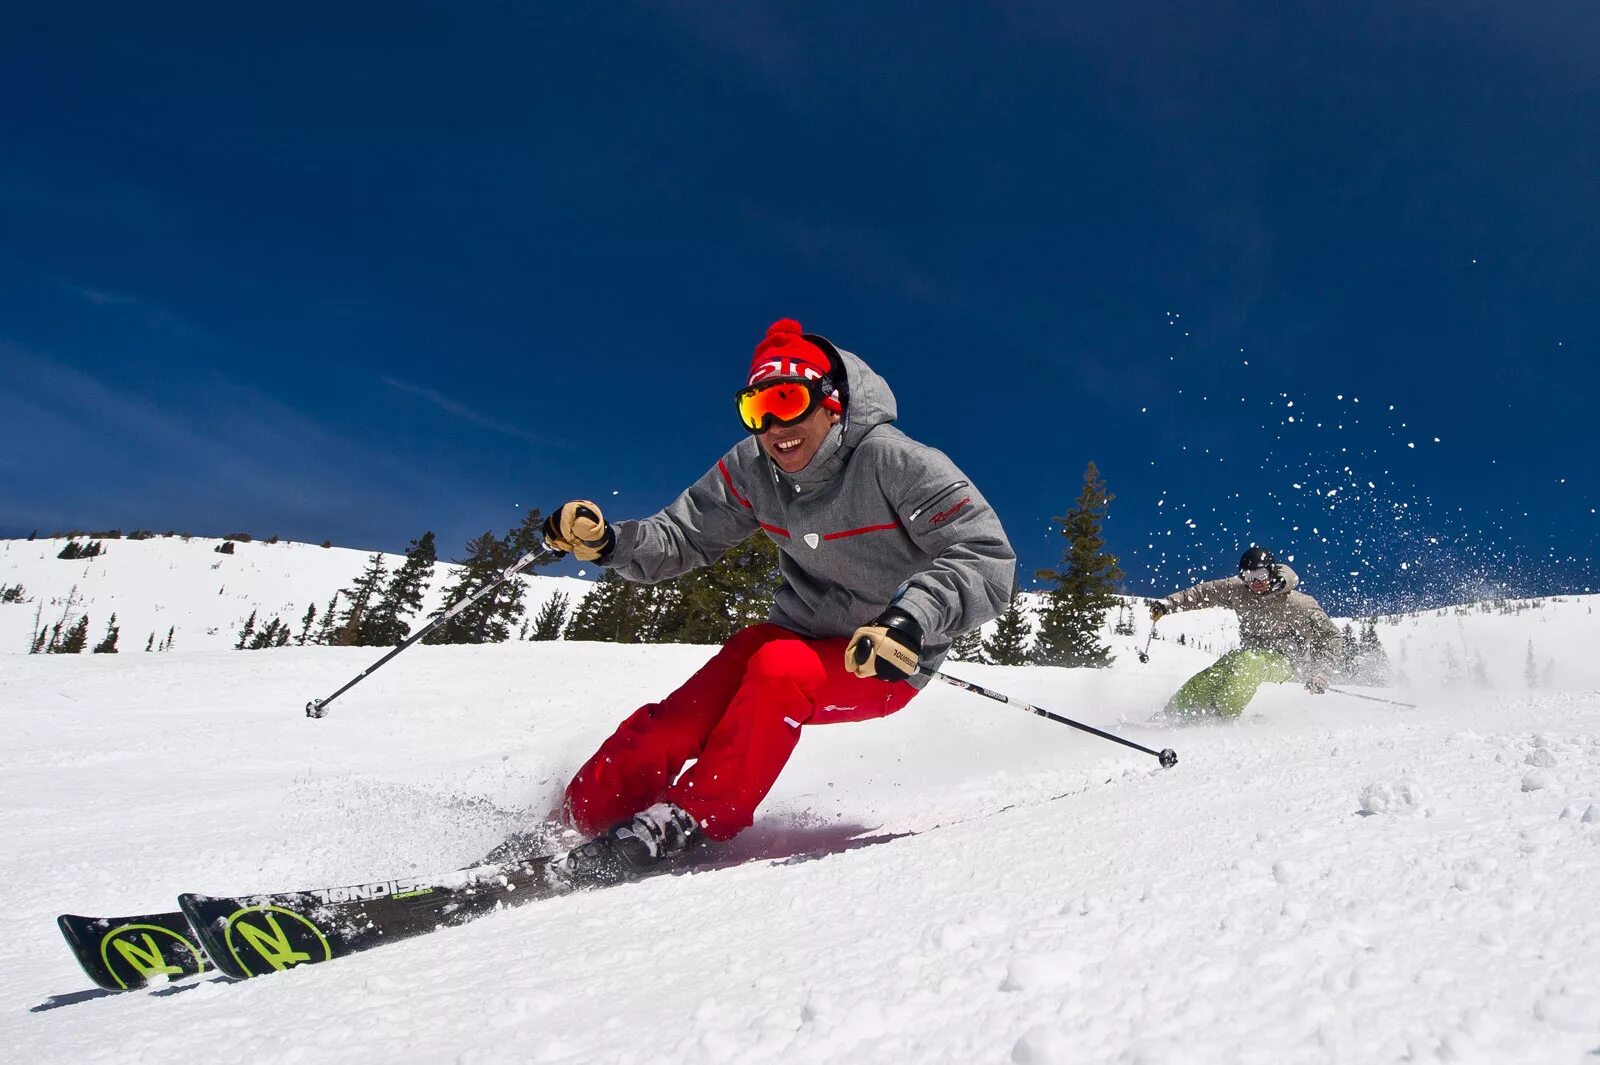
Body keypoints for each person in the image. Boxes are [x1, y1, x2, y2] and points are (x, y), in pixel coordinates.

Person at [540, 319, 1015, 881]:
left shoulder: (894, 461)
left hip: (881, 655)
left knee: (776, 666)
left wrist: (911, 619)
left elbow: (985, 554)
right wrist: (612, 542)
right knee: (681, 719)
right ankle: (575, 823)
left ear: (831, 404)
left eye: (787, 401)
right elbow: (684, 535)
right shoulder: (752, 468)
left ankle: (689, 818)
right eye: (755, 409)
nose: (772, 427)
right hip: (798, 635)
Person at [1148, 547, 1344, 719]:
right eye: (1250, 577)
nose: (1256, 582)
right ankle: (1174, 712)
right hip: (1251, 651)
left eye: (1261, 575)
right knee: (1218, 671)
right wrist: (1167, 605)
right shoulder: (1238, 591)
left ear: (1272, 572)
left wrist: (1321, 674)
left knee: (1248, 663)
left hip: (1287, 659)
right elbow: (1202, 593)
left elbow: (1331, 636)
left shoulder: (1296, 603)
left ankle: (1221, 717)